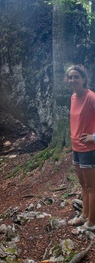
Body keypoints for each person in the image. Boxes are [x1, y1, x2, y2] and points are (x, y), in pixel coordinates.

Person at [66, 64, 95, 233]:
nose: (72, 80)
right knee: (84, 185)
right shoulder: (73, 97)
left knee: (92, 187)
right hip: (76, 147)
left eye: (76, 76)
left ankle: (91, 223)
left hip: (89, 150)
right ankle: (84, 215)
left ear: (84, 79)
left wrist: (94, 137)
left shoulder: (91, 97)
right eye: (70, 77)